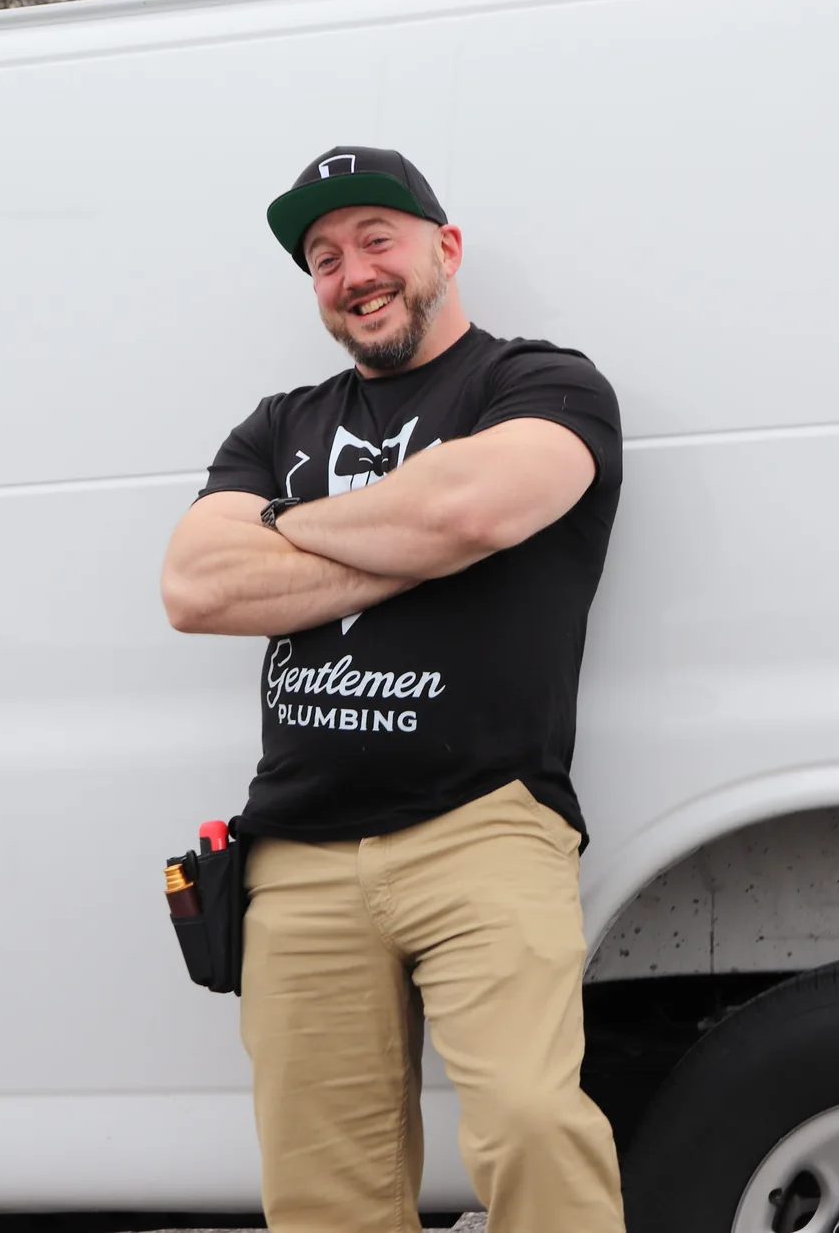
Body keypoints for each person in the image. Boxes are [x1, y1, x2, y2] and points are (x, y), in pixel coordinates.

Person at [159, 145, 626, 1233]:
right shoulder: (276, 427)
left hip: (484, 826)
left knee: (528, 1126)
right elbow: (192, 586)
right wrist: (406, 534)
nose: (353, 270)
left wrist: (281, 535)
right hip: (295, 857)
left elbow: (470, 512)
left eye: (377, 239)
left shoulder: (542, 383)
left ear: (444, 249)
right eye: (323, 257)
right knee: (324, 1194)